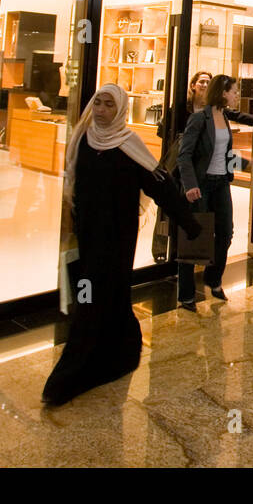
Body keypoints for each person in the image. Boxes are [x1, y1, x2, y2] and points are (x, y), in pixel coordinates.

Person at [42, 84, 200, 406]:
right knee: (95, 295)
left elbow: (162, 186)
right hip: (88, 238)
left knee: (98, 297)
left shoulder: (130, 146)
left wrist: (190, 225)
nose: (100, 110)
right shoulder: (82, 141)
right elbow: (74, 186)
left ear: (121, 111)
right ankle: (122, 348)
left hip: (117, 239)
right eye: (97, 103)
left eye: (107, 106)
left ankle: (71, 375)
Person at [175, 74, 253, 309]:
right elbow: (184, 155)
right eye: (234, 91)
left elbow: (223, 156)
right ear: (222, 93)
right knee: (196, 238)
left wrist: (247, 162)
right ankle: (186, 294)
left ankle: (213, 278)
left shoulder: (224, 116)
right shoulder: (200, 119)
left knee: (226, 233)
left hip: (220, 184)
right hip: (200, 186)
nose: (237, 94)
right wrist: (190, 185)